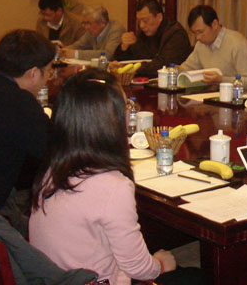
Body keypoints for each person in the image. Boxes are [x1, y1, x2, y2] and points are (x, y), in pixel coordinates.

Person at [29, 68, 185, 285]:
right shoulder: (112, 185)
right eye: (125, 106)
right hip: (93, 280)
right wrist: (160, 264)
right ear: (110, 121)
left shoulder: (54, 167)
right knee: (194, 276)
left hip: (53, 276)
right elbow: (138, 268)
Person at [0, 29, 55, 236]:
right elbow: (56, 150)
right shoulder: (19, 103)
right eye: (49, 71)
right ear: (33, 73)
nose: (49, 78)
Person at [179, 5, 247, 90]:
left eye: (200, 32)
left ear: (214, 24)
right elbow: (187, 68)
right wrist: (174, 71)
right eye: (194, 33)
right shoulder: (201, 45)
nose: (197, 37)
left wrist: (222, 80)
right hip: (209, 94)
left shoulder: (238, 44)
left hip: (235, 96)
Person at [113, 0, 192, 78]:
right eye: (139, 21)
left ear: (159, 17)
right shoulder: (144, 33)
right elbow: (134, 57)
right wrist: (124, 48)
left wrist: (133, 67)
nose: (141, 25)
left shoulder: (176, 34)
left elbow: (163, 65)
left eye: (145, 20)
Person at [61, 5, 126, 61]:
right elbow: (79, 45)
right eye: (84, 23)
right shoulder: (92, 32)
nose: (85, 27)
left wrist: (76, 54)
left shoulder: (116, 30)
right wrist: (63, 51)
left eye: (88, 23)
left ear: (102, 23)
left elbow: (108, 55)